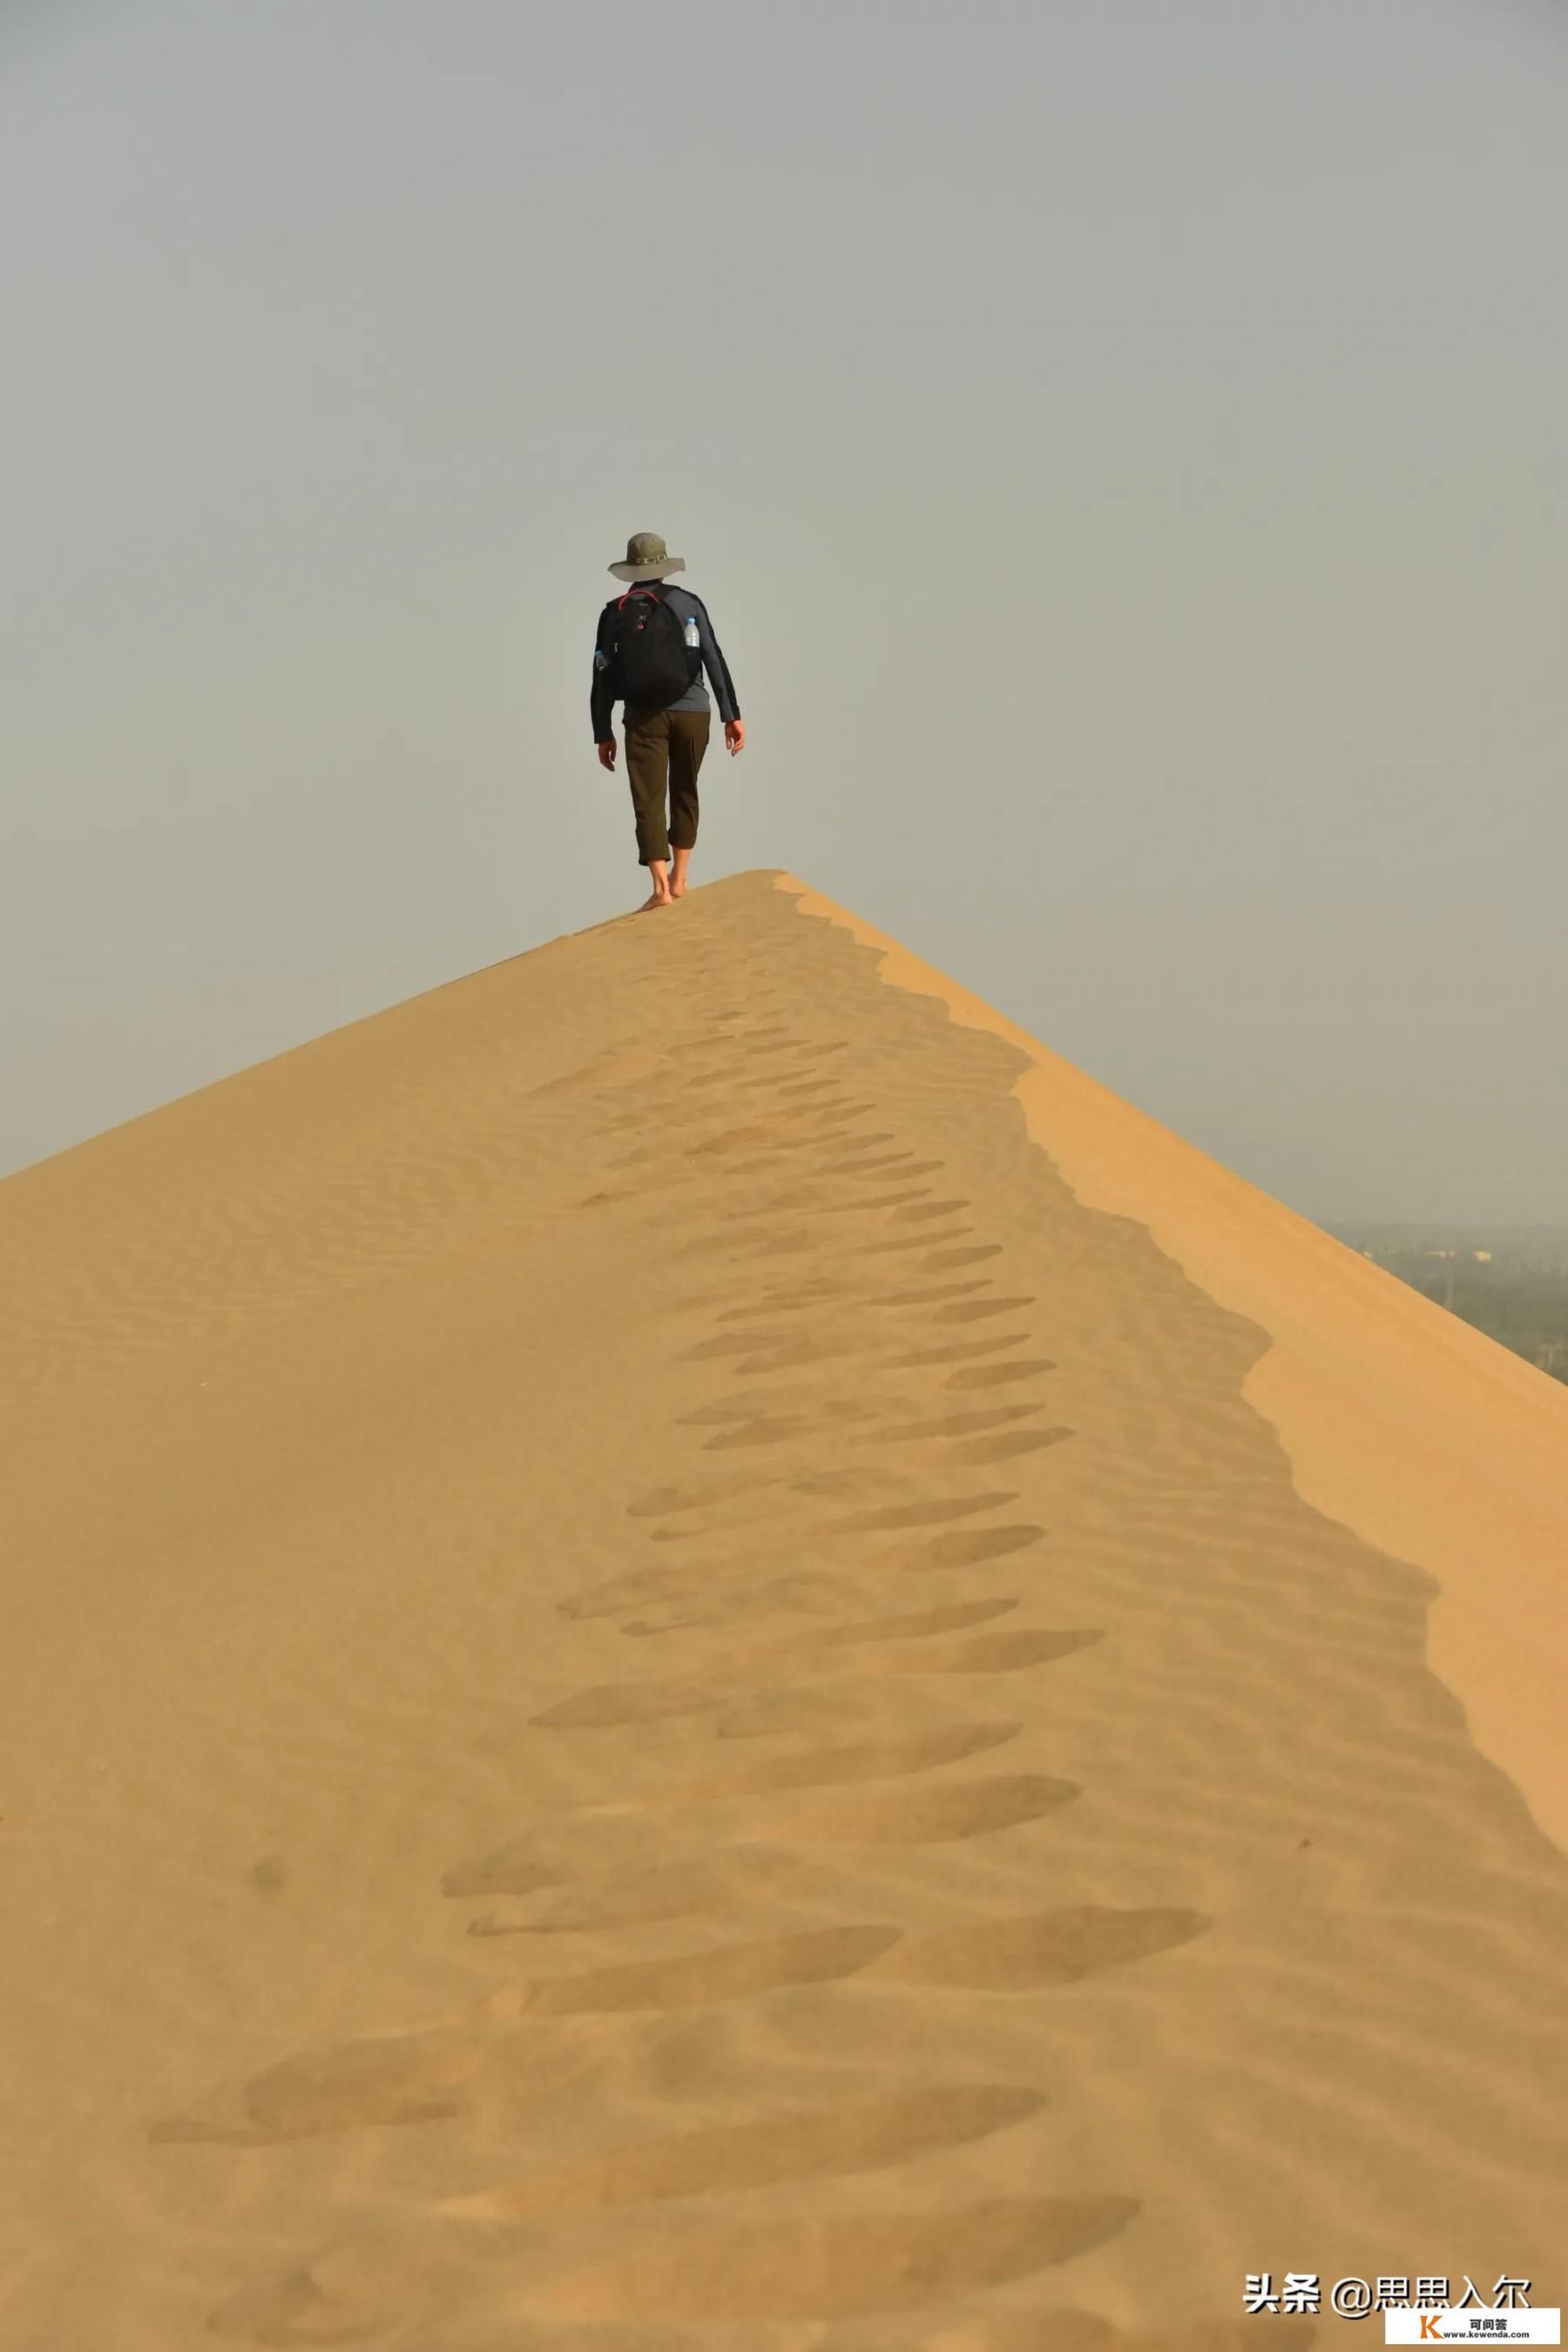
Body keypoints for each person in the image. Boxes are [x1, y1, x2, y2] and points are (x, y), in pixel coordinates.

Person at [591, 531, 746, 910]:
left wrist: (602, 731)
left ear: (629, 569)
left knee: (648, 799)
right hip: (693, 712)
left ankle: (660, 888)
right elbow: (713, 657)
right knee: (685, 787)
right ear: (664, 565)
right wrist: (732, 715)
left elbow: (601, 674)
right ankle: (681, 877)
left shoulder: (613, 612)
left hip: (642, 717)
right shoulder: (687, 603)